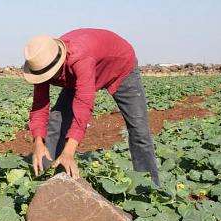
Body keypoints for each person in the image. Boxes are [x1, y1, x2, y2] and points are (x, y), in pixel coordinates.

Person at [22, 28, 160, 185]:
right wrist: (38, 144)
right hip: (76, 74)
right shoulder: (41, 63)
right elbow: (39, 106)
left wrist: (69, 152)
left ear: (58, 63)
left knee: (139, 130)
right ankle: (48, 178)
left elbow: (83, 105)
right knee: (56, 121)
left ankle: (149, 187)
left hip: (120, 66)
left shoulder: (80, 58)